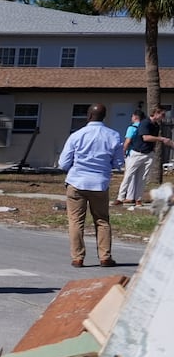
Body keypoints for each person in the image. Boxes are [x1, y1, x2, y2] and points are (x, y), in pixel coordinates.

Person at [58, 103, 125, 268]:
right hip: (99, 184)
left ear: (88, 116)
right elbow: (118, 163)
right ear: (104, 117)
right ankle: (105, 256)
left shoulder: (77, 135)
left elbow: (63, 163)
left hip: (77, 182)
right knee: (102, 220)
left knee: (75, 221)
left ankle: (78, 257)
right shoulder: (113, 136)